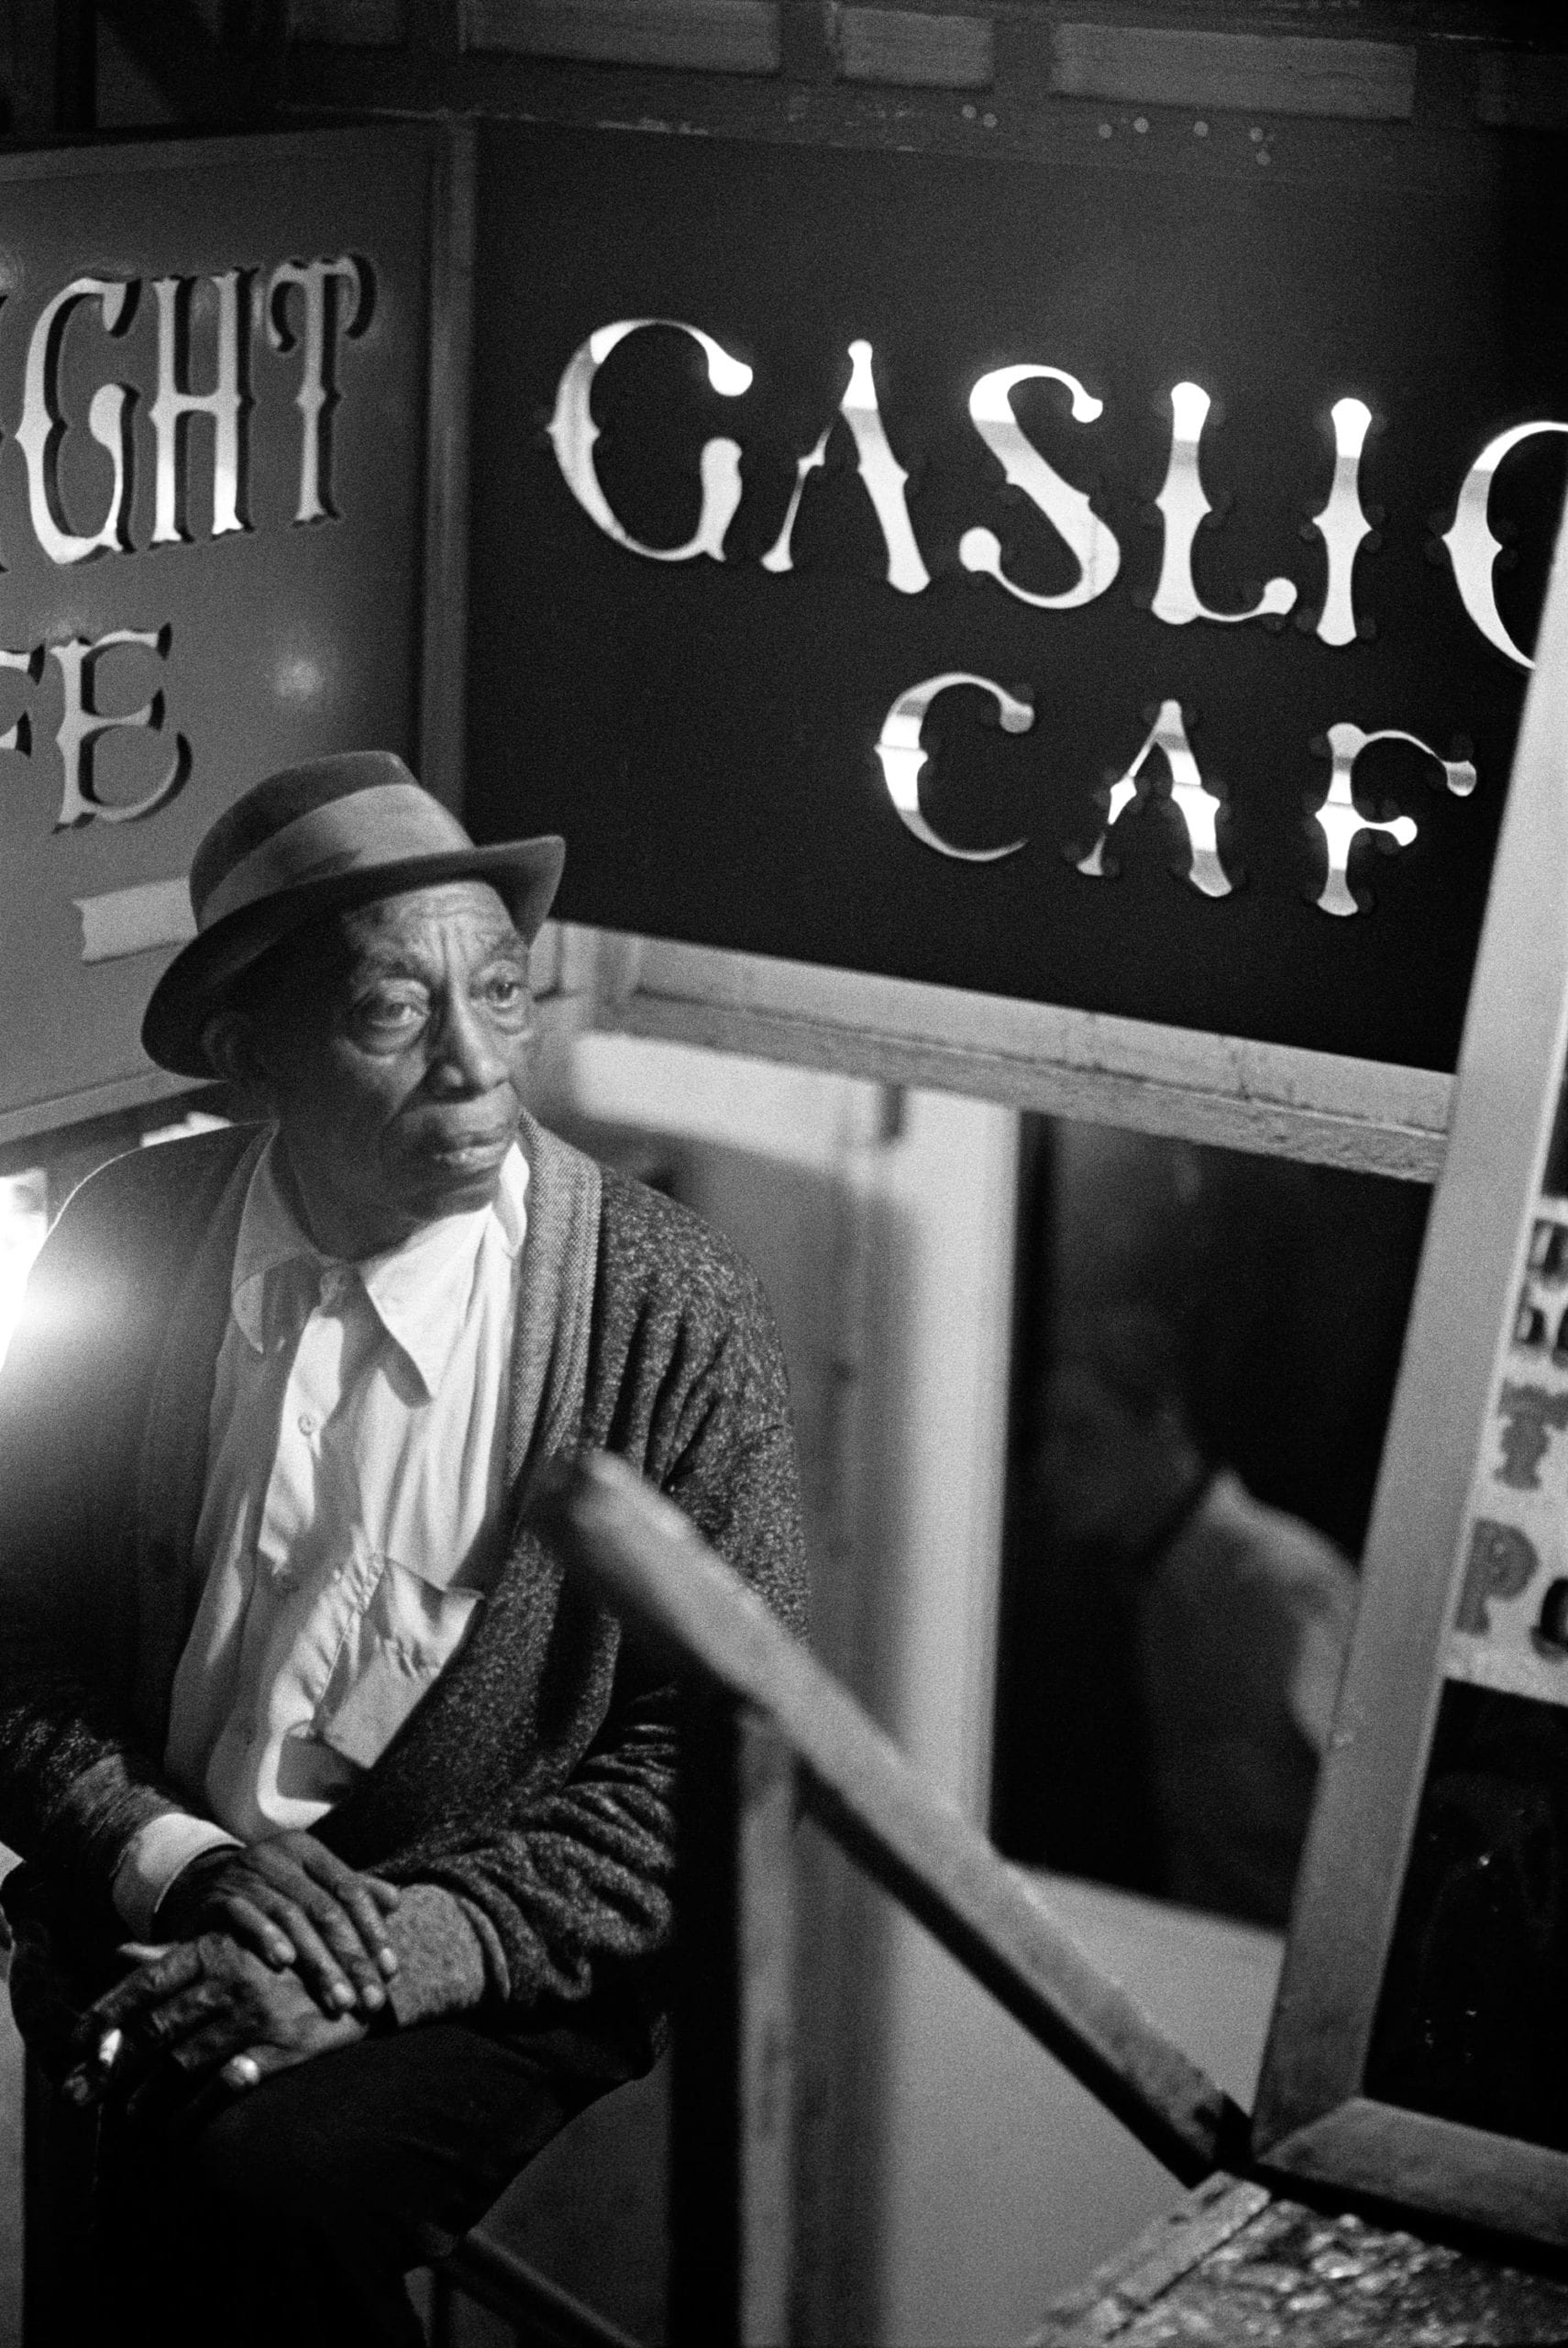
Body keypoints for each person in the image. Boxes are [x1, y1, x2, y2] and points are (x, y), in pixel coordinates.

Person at [0, 750, 808, 2344]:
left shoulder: (663, 1305)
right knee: (118, 2191)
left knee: (259, 2192)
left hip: (498, 1943)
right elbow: (4, 1637)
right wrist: (187, 1869)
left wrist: (392, 1957)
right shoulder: (124, 1242)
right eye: (392, 1014)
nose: (477, 1067)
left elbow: (710, 1763)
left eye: (502, 995)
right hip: (168, 1899)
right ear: (254, 1058)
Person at [1031, 1310, 1358, 1927]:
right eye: (1047, 1437)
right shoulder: (1146, 1594)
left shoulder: (1282, 1589)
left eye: (1083, 1434)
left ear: (1163, 1424)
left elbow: (1375, 1837)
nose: (1051, 1468)